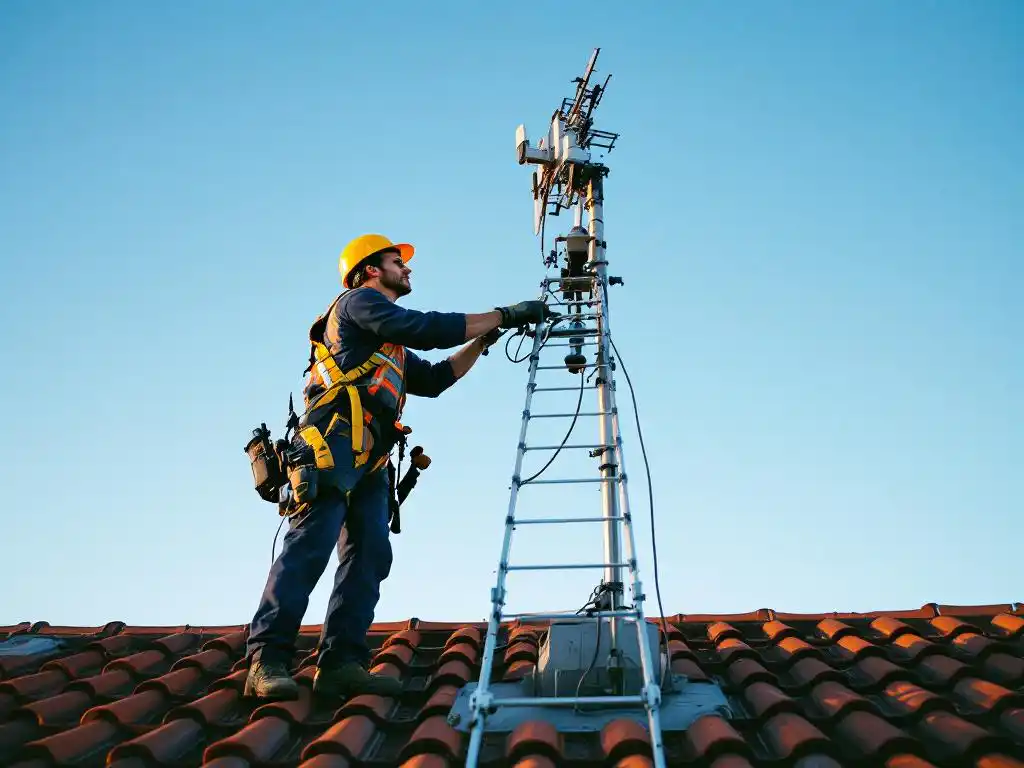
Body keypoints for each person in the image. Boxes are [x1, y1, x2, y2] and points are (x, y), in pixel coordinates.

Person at [244, 233, 553, 700]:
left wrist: (484, 339)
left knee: (368, 556)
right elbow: (426, 327)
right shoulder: (357, 304)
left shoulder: (387, 343)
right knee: (310, 546)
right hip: (330, 446)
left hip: (370, 460)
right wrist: (503, 315)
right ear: (370, 270)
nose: (406, 269)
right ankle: (266, 661)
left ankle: (341, 664)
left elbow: (434, 378)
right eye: (397, 261)